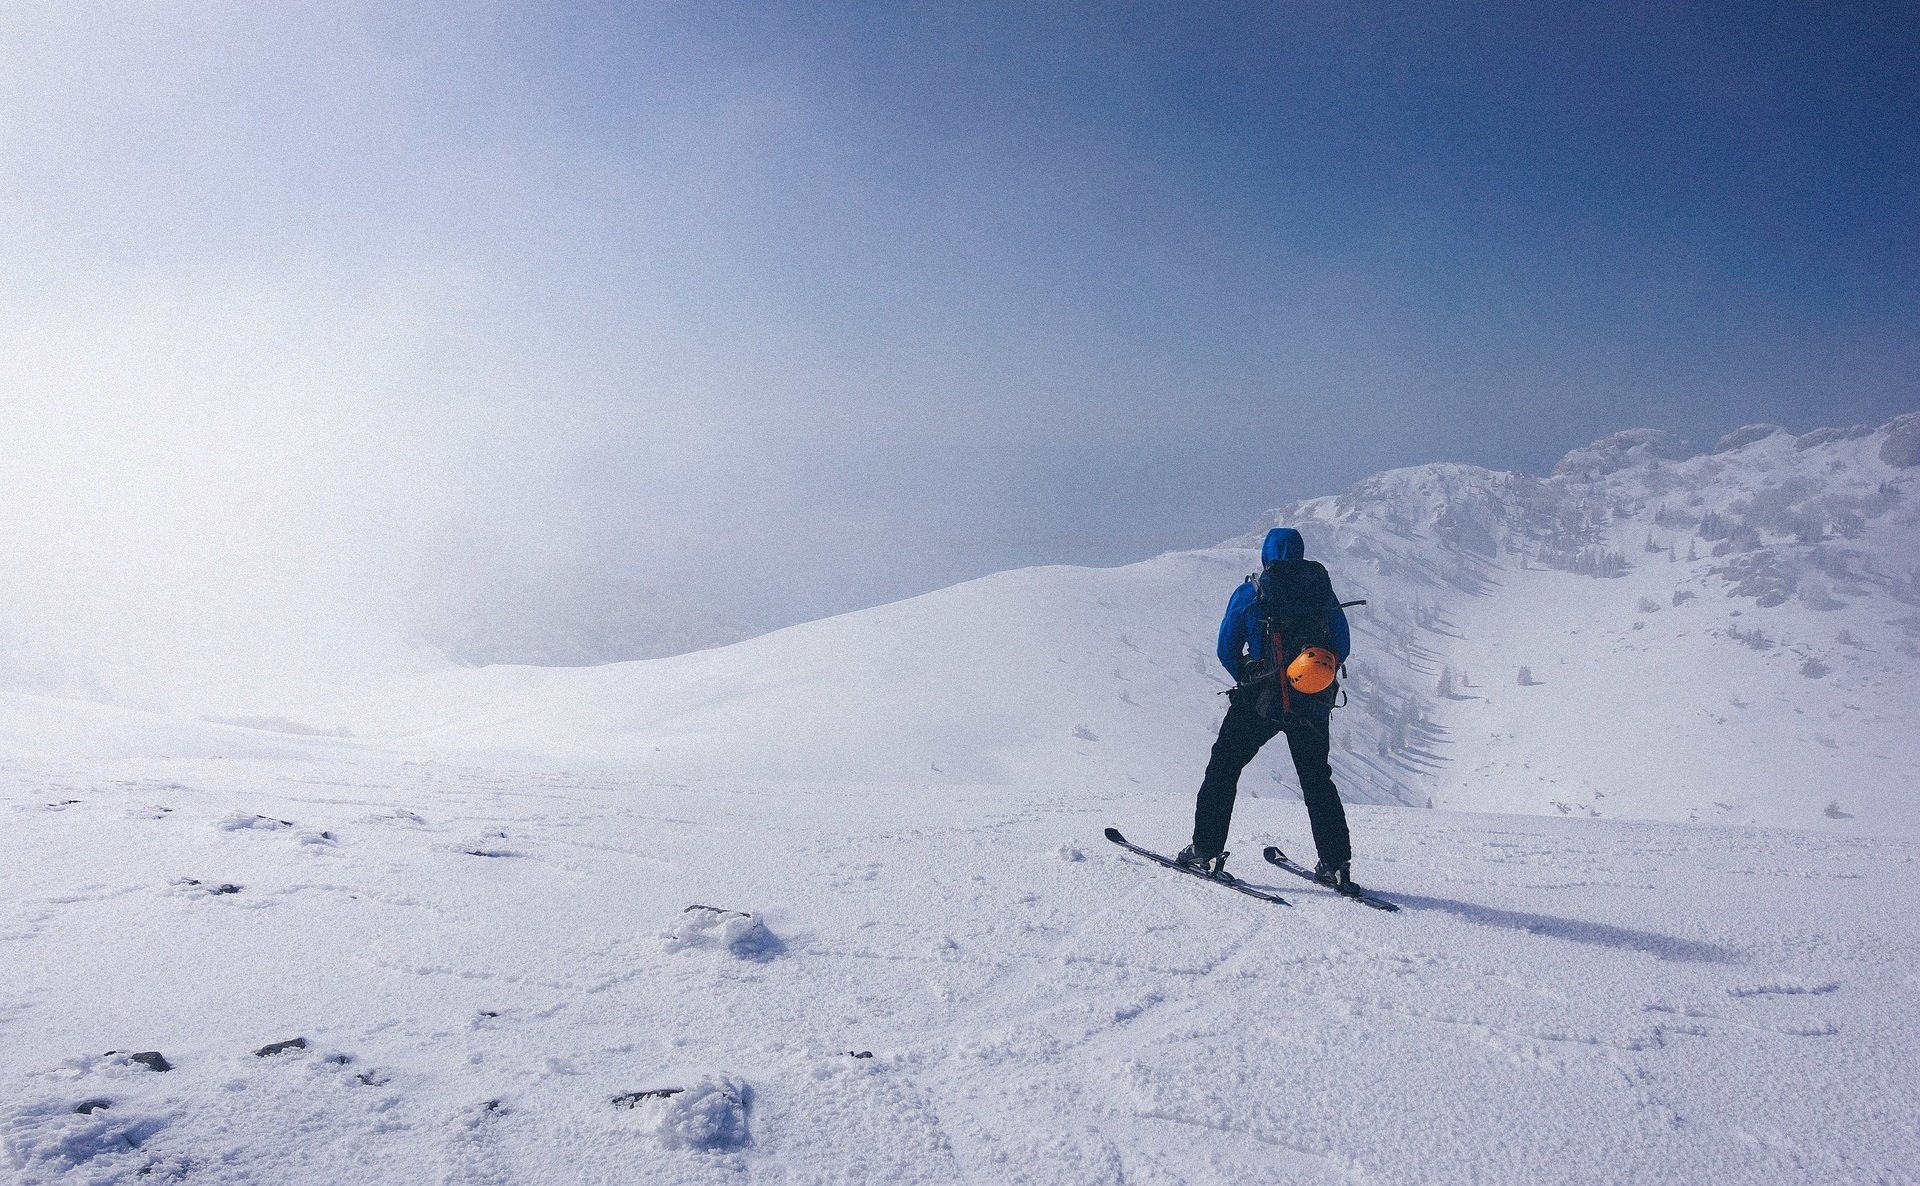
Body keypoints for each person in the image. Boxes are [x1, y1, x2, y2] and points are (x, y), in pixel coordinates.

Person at [1176, 526, 1356, 889]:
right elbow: (1343, 646)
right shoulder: (1323, 594)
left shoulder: (1251, 592)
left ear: (1265, 554)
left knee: (1224, 768)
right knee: (1317, 780)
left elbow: (1226, 648)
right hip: (1311, 702)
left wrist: (1248, 673)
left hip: (1261, 700)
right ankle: (1336, 864)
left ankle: (1206, 850)